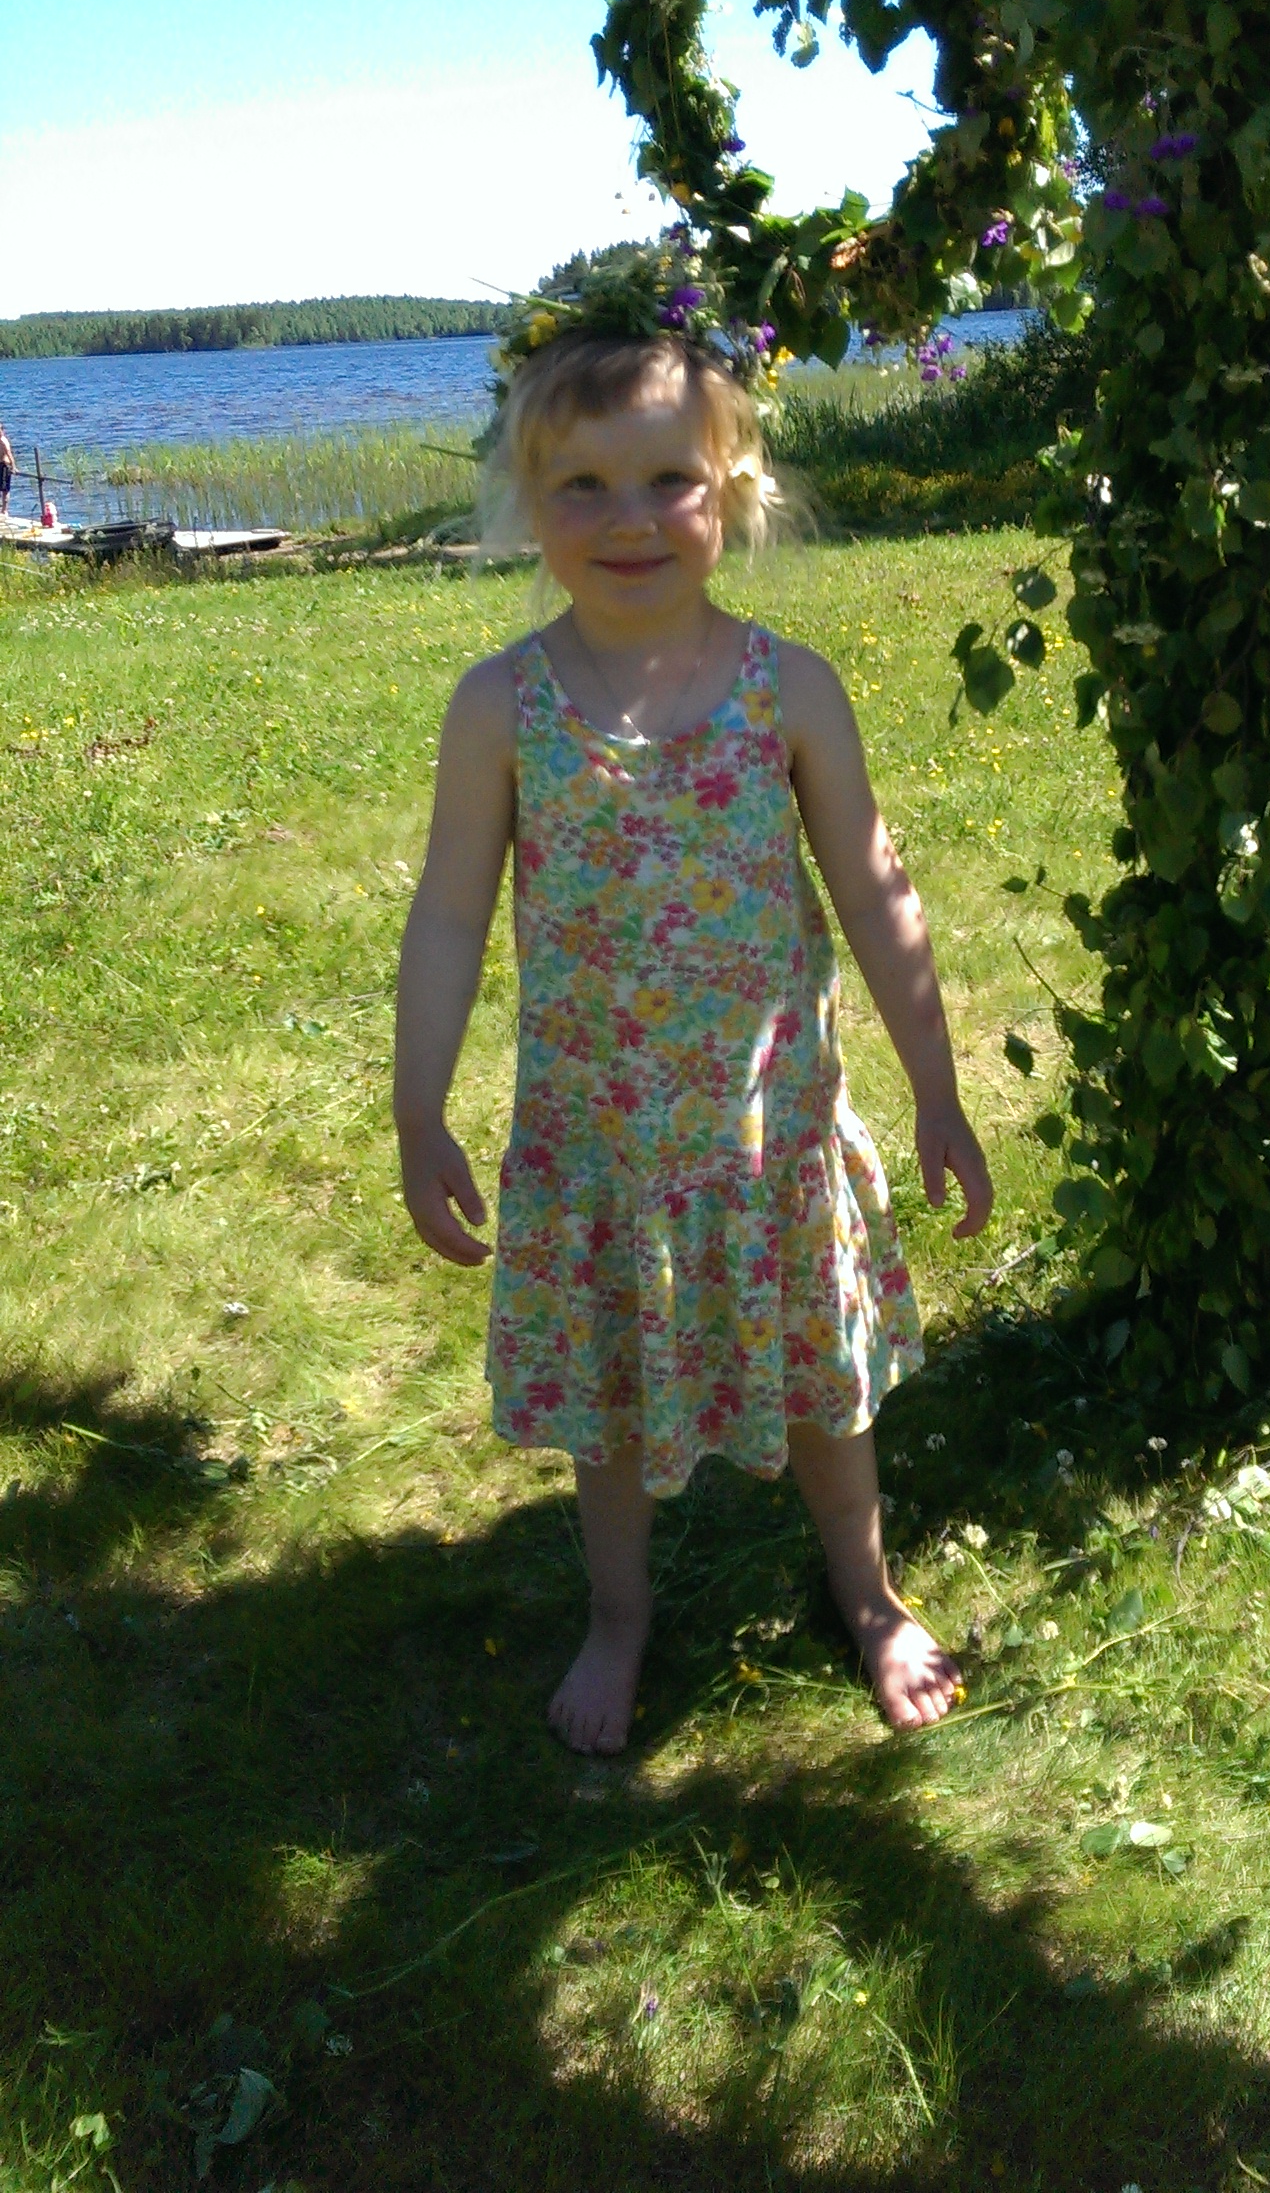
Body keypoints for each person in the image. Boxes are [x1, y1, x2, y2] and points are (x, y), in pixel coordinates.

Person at [393, 318, 993, 1755]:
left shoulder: (790, 688)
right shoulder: (502, 708)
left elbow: (876, 896)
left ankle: (867, 1593)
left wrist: (937, 1090)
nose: (629, 519)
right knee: (610, 1413)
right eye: (582, 486)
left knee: (823, 1389)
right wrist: (418, 1109)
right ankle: (618, 1615)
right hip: (601, 1152)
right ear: (527, 506)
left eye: (668, 478)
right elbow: (448, 919)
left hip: (771, 1141)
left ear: (733, 489)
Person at [0, 421, 13, 518]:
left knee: (5, 489)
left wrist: (13, 466)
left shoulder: (4, 441)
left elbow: (9, 454)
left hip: (5, 465)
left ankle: (4, 510)